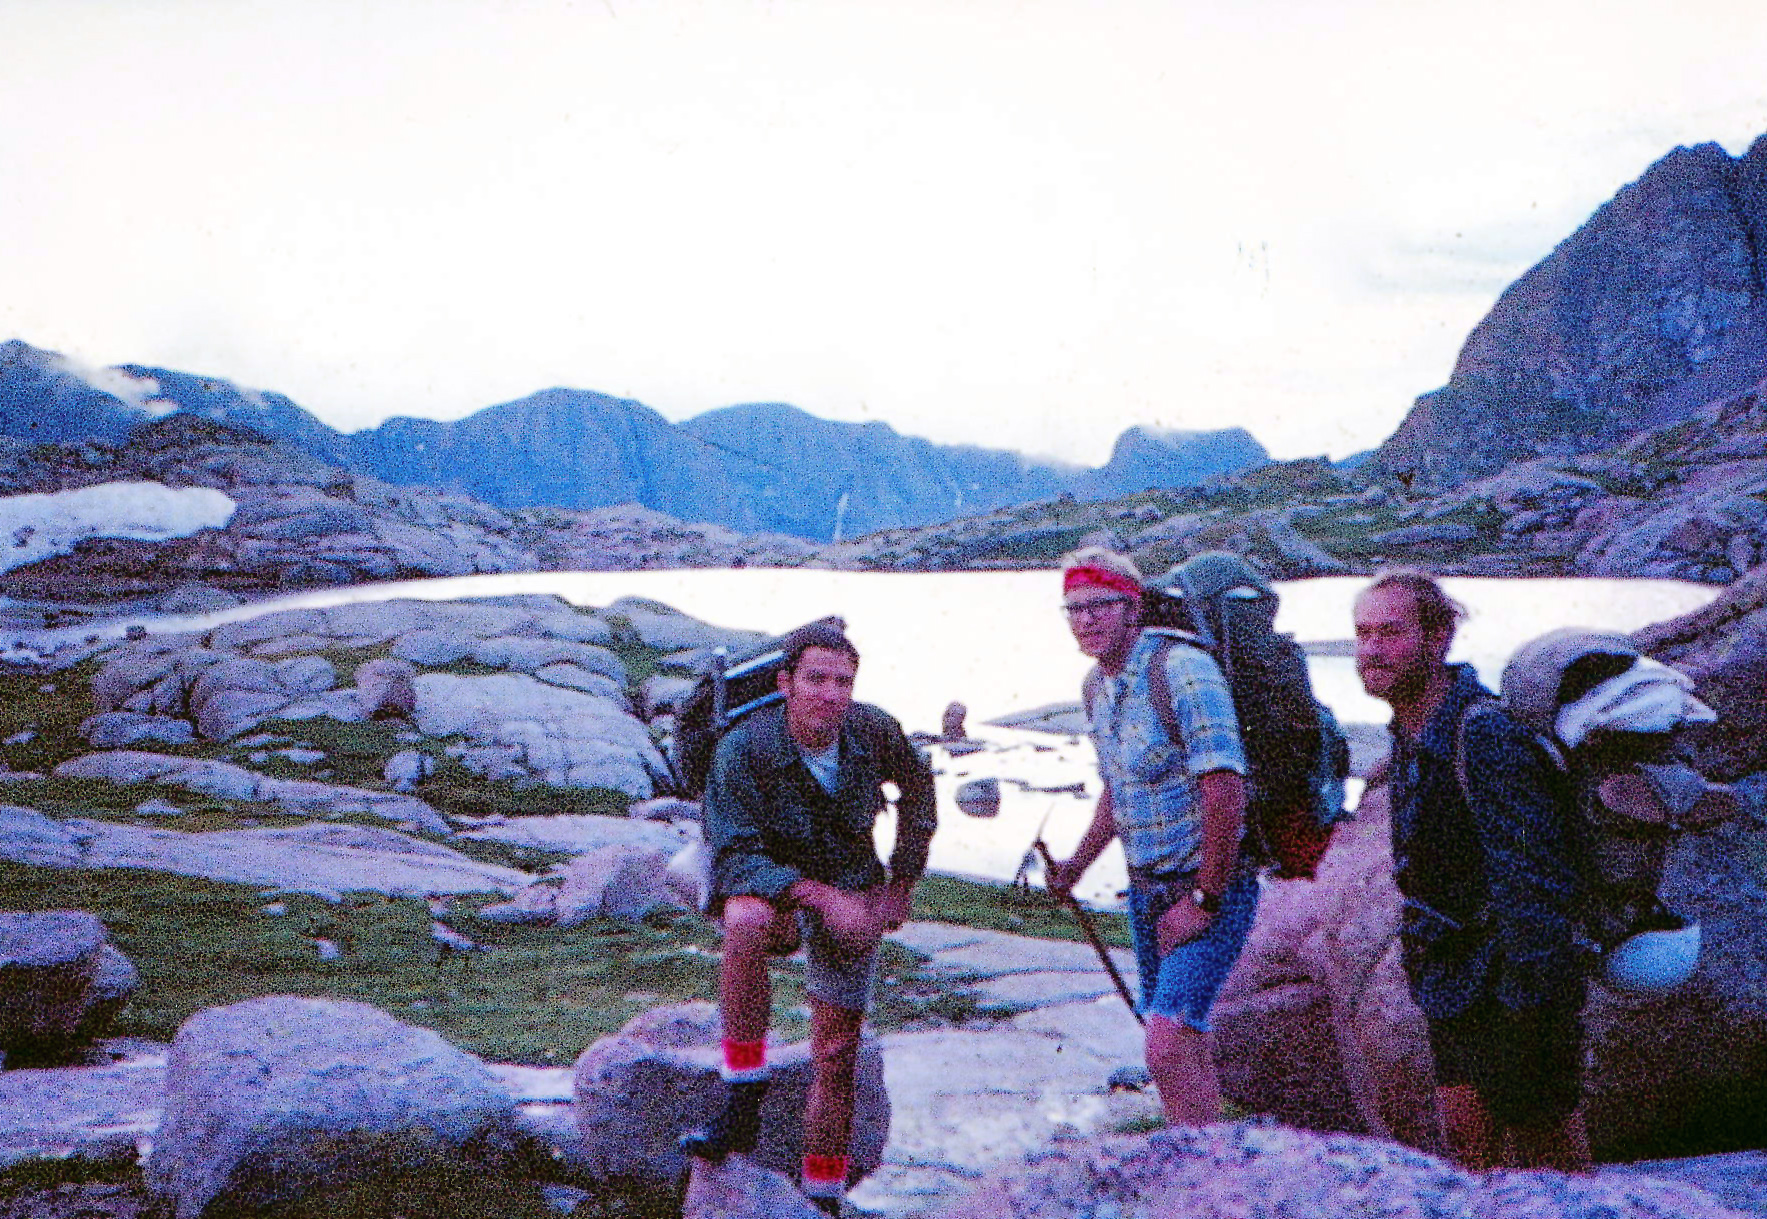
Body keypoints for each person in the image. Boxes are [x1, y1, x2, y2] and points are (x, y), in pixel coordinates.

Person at [681, 621, 937, 1215]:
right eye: (816, 679)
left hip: (853, 881)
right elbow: (735, 852)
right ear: (786, 682)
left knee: (838, 1049)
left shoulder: (873, 730)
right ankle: (744, 1092)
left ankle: (823, 1195)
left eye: (842, 682)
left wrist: (900, 885)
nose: (829, 694)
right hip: (773, 882)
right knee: (743, 921)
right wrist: (821, 899)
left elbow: (919, 792)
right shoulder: (744, 746)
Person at [1352, 568, 1591, 1171]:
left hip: (1514, 981)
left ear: (1439, 638)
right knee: (1468, 1150)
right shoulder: (1410, 733)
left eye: (1390, 634)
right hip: (1452, 977)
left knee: (1548, 1157)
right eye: (1362, 635)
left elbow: (1535, 875)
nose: (1371, 651)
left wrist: (1528, 1005)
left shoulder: (1481, 731)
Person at [1045, 547, 1260, 1125]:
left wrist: (1204, 900)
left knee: (1166, 1040)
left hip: (1209, 888)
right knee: (1176, 1035)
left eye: (1099, 606)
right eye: (1073, 610)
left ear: (1132, 606)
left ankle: (1204, 1181)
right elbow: (1119, 789)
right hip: (1146, 891)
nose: (1085, 620)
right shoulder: (1096, 687)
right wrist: (1075, 867)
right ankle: (1208, 1159)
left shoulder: (1181, 669)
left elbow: (1224, 785)